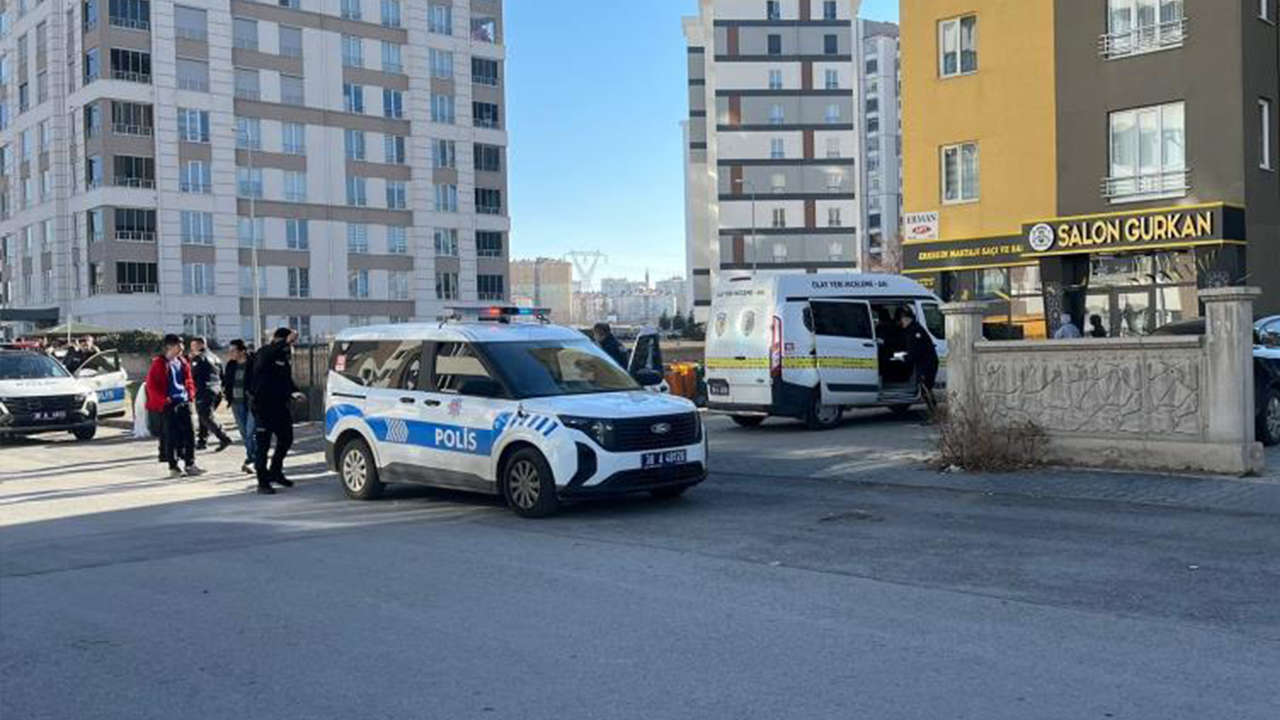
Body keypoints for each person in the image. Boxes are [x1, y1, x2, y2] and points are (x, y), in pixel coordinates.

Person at [250, 328, 303, 495]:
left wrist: (295, 392)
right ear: (280, 340)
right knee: (263, 446)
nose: (291, 347)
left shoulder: (283, 358)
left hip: (280, 407)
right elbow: (270, 353)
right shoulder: (265, 352)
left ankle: (275, 471)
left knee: (286, 438)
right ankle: (262, 482)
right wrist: (286, 341)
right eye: (290, 343)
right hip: (263, 408)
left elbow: (286, 381)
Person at [145, 334, 203, 477]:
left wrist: (190, 395)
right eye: (178, 345)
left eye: (182, 345)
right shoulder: (159, 363)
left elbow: (188, 380)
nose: (182, 348)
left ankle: (190, 463)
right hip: (168, 404)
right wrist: (164, 400)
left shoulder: (182, 362)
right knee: (171, 435)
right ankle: (173, 466)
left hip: (183, 401)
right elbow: (151, 385)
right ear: (169, 347)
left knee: (189, 433)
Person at [189, 337, 232, 453]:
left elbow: (191, 374)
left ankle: (224, 437)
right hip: (217, 390)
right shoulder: (216, 358)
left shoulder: (198, 358)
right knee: (204, 415)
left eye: (193, 345)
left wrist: (191, 361)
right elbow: (222, 375)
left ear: (200, 345)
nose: (192, 348)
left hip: (205, 390)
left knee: (205, 416)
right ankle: (202, 441)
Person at [899, 308, 940, 421]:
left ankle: (935, 415)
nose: (900, 322)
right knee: (925, 389)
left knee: (926, 389)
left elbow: (917, 351)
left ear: (907, 319)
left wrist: (905, 358)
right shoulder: (911, 329)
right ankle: (934, 414)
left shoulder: (916, 330)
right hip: (923, 363)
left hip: (928, 364)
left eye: (901, 319)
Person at [223, 339, 257, 475]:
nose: (230, 353)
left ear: (242, 351)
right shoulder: (231, 365)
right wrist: (227, 394)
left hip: (251, 403)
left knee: (250, 432)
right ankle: (253, 458)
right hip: (236, 403)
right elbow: (227, 382)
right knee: (244, 433)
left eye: (233, 350)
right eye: (229, 350)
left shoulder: (253, 363)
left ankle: (252, 459)